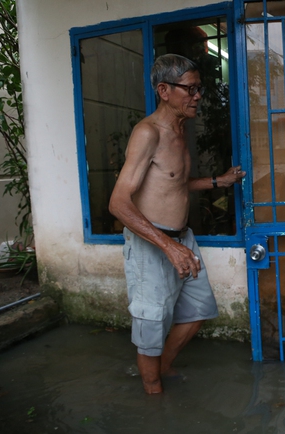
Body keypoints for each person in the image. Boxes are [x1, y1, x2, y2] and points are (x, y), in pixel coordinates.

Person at [109, 54, 245, 394]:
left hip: (182, 238)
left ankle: (164, 368)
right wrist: (168, 246)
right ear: (164, 90)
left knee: (199, 309)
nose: (198, 96)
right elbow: (118, 203)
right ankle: (154, 401)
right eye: (191, 89)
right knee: (151, 329)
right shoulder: (147, 133)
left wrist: (218, 181)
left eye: (200, 88)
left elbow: (173, 182)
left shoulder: (182, 131)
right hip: (152, 244)